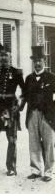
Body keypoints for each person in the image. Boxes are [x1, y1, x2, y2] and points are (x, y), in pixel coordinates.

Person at [0, 43, 24, 176]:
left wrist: (18, 105)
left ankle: (11, 167)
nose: (3, 58)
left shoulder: (17, 72)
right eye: (1, 55)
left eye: (6, 55)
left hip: (10, 109)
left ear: (10, 56)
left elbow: (25, 92)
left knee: (12, 139)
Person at [23, 45, 55, 182]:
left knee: (48, 143)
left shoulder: (52, 77)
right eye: (35, 61)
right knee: (34, 143)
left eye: (39, 60)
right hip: (32, 114)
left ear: (44, 61)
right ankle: (36, 169)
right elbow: (25, 97)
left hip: (47, 115)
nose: (37, 63)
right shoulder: (29, 78)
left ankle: (49, 171)